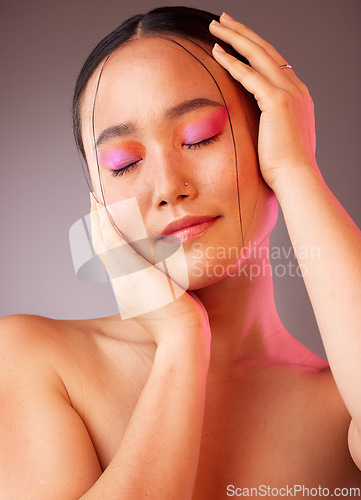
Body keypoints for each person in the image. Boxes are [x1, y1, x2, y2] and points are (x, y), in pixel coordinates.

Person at [1, 5, 361, 498]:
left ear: (270, 139)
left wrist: (296, 170)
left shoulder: (342, 404)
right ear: (98, 201)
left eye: (200, 137)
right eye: (124, 163)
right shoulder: (32, 360)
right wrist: (180, 339)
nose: (168, 187)